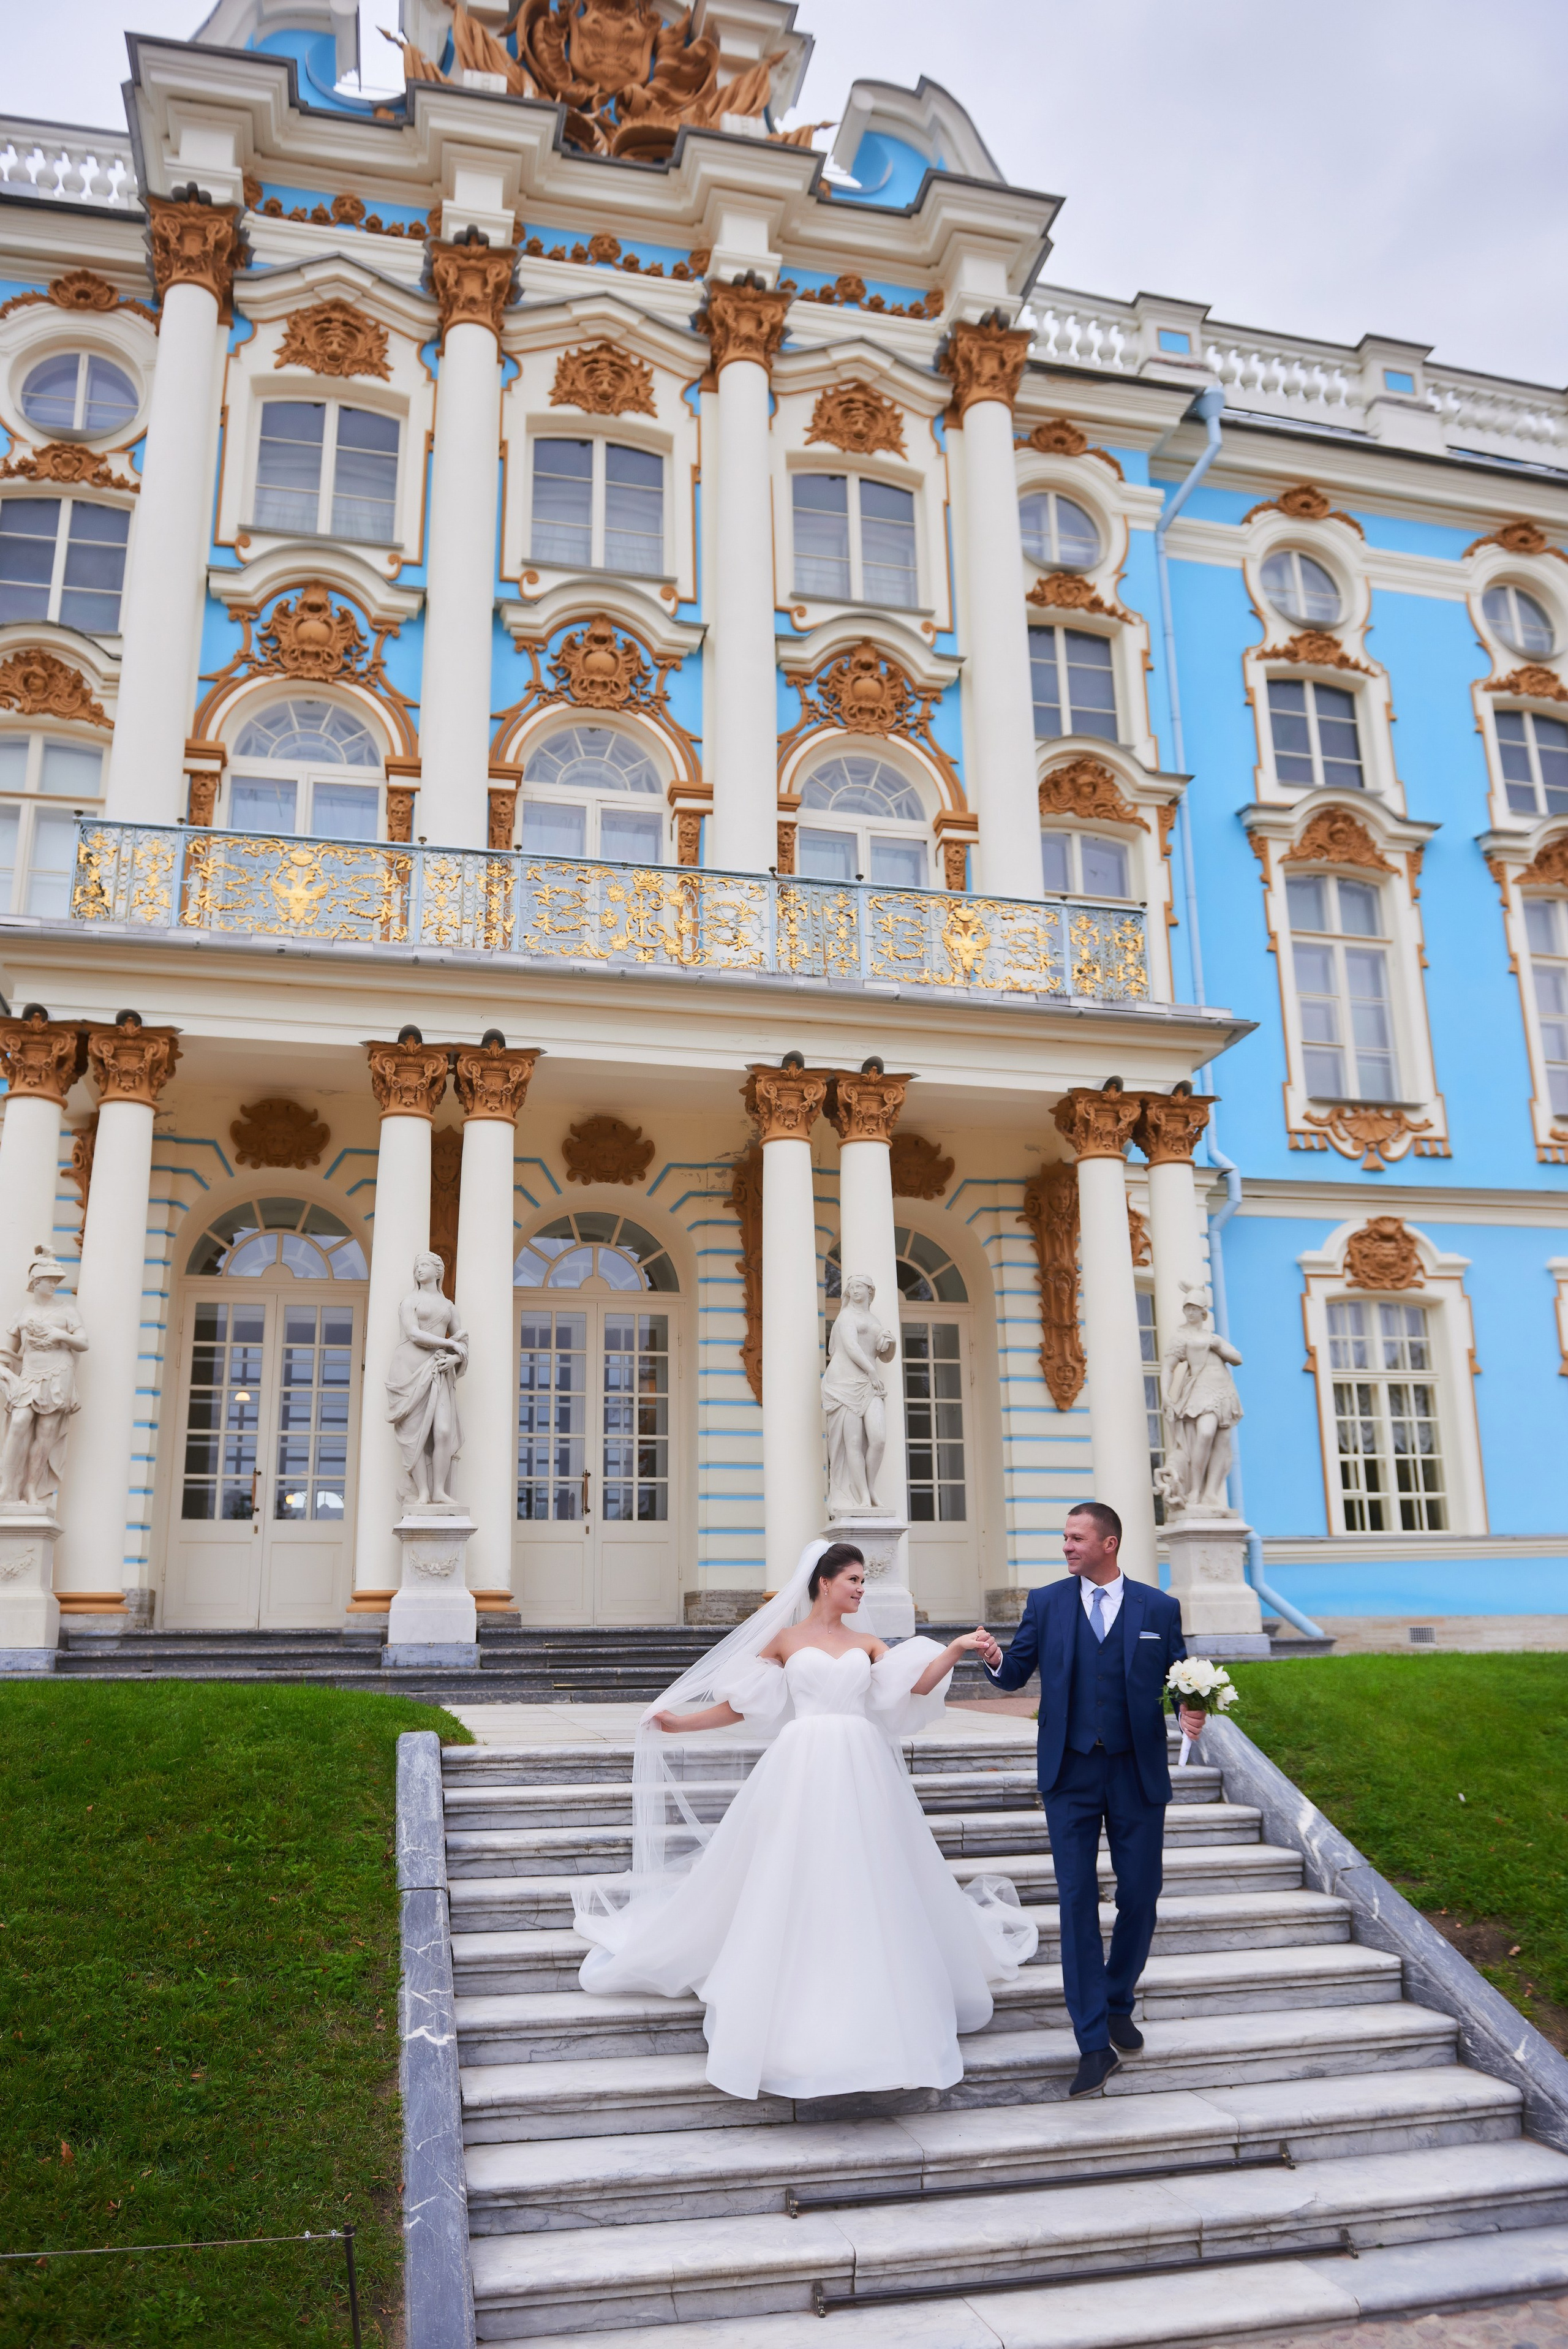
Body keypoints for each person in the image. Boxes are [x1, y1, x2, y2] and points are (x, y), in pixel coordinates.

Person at [572, 1540, 1036, 2101]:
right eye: (854, 1579)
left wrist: (957, 1647)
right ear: (824, 1582)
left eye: (864, 1580)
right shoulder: (786, 1640)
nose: (862, 1588)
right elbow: (744, 1704)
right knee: (792, 1871)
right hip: (801, 1766)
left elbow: (911, 1686)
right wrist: (680, 1725)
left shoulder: (869, 1643)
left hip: (861, 1767)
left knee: (867, 1876)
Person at [974, 1501, 1207, 2098]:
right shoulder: (1047, 1602)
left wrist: (1194, 1705)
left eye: (1076, 1538)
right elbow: (1014, 1672)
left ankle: (1117, 1998)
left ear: (1109, 1544)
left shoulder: (1158, 1608)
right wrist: (993, 1656)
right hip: (1070, 1772)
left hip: (1135, 1771)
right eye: (1064, 1537)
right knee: (1076, 1900)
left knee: (1140, 1893)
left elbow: (1179, 1673)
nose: (1066, 1546)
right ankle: (1090, 2043)